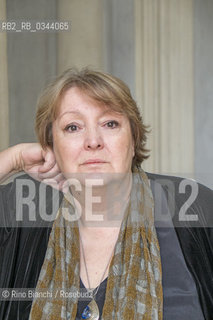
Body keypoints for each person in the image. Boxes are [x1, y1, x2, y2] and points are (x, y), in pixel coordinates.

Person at [0, 68, 212, 320]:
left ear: (133, 139)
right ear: (52, 145)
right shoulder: (19, 212)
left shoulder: (195, 207)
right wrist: (12, 159)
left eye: (110, 123)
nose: (93, 141)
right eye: (73, 127)